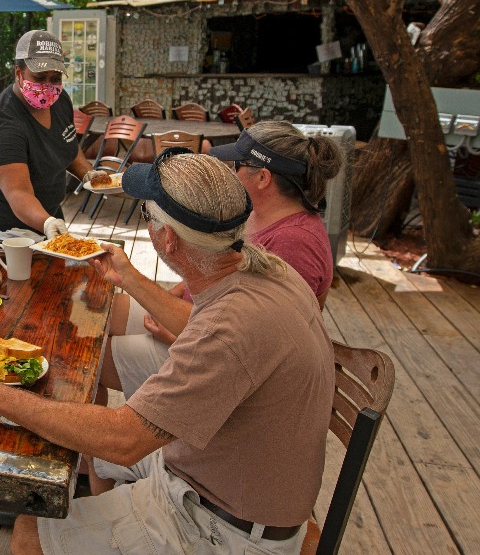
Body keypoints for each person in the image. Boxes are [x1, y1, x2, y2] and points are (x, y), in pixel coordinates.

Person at [0, 150, 335, 555]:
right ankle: (113, 531)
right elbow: (205, 330)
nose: (148, 227)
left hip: (231, 534)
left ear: (169, 240)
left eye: (147, 216)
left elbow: (124, 441)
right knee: (90, 445)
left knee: (28, 538)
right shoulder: (265, 272)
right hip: (233, 478)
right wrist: (130, 278)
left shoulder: (229, 329)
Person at [97, 121, 344, 397]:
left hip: (212, 355)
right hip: (195, 320)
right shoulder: (254, 213)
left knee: (91, 356)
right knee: (99, 313)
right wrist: (172, 295)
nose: (230, 171)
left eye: (236, 164)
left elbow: (254, 344)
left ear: (263, 177)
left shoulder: (296, 243)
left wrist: (175, 337)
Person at [0, 30, 94, 236]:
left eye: (55, 78)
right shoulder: (2, 125)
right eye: (40, 77)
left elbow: (66, 143)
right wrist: (47, 223)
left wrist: (88, 173)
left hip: (47, 211)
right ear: (19, 73)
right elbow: (18, 192)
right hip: (1, 223)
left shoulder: (60, 100)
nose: (48, 86)